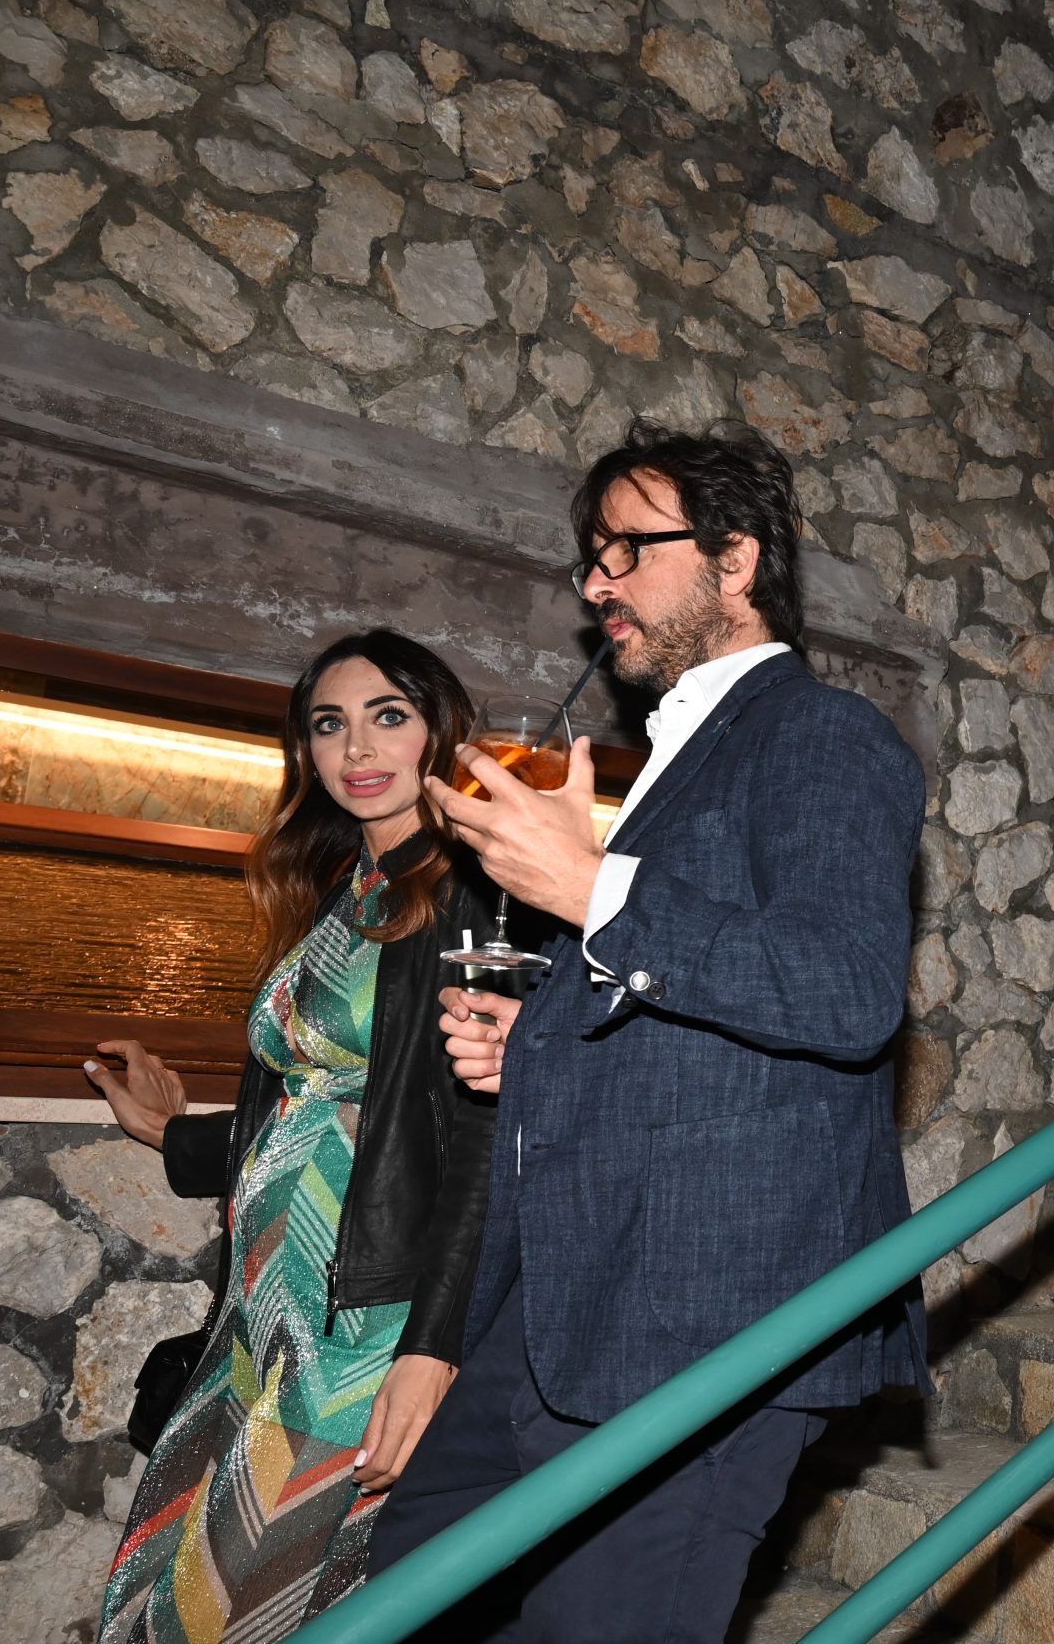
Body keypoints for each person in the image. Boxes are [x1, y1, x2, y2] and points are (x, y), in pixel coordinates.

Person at [366, 420, 928, 1643]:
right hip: (567, 1303)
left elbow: (842, 991)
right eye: (590, 555)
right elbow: (697, 1011)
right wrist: (538, 1041)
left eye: (627, 548)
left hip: (708, 1317)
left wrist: (590, 889)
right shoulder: (671, 760)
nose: (595, 582)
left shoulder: (823, 733)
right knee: (404, 1593)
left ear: (736, 557)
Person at [91, 630, 501, 1642]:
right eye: (330, 723)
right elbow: (315, 1103)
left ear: (439, 732)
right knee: (162, 1581)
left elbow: (486, 1130)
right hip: (264, 1298)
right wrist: (172, 1134)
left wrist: (433, 1345)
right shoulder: (344, 892)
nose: (357, 746)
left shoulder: (474, 894)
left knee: (226, 1603)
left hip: (365, 1318)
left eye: (388, 715)